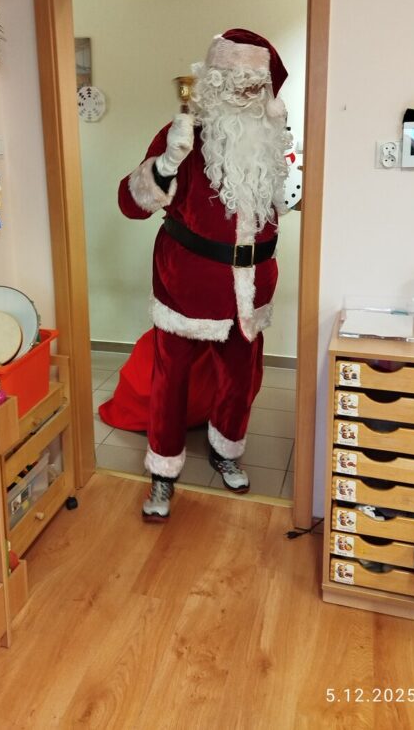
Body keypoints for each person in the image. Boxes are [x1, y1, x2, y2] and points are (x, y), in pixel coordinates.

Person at [117, 28, 292, 522]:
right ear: (213, 80)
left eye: (255, 84)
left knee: (240, 377)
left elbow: (284, 202)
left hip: (252, 287)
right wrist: (166, 163)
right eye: (235, 81)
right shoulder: (183, 133)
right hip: (187, 283)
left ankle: (225, 450)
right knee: (170, 380)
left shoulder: (273, 138)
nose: (245, 91)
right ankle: (163, 469)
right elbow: (130, 203)